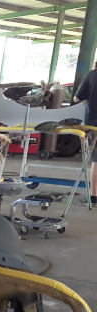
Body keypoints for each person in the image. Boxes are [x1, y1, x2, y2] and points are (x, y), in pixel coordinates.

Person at [74, 60, 97, 207]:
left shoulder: (92, 75)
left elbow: (77, 98)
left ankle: (94, 197)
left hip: (94, 124)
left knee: (96, 161)